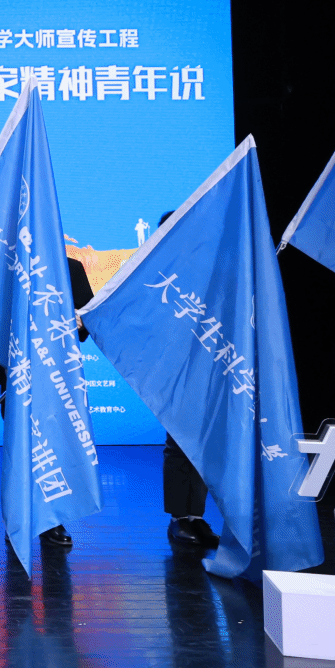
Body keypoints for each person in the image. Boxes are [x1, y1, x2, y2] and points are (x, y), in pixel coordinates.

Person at [0, 255, 96, 551]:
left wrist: (80, 321)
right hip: (17, 373)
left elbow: (86, 322)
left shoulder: (71, 268)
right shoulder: (10, 264)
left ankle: (52, 520)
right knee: (21, 448)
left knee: (54, 448)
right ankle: (17, 520)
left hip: (57, 376)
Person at [152, 209, 219, 552]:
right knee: (179, 442)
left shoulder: (207, 267)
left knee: (203, 442)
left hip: (208, 362)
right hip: (173, 366)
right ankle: (180, 517)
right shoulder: (154, 270)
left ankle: (196, 515)